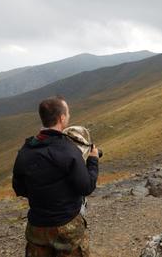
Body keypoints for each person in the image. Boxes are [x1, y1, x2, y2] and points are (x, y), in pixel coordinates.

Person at [12, 96, 99, 257]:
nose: (69, 116)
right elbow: (86, 187)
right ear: (61, 118)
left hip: (37, 226)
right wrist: (93, 160)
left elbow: (19, 188)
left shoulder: (25, 150)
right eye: (68, 113)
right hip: (67, 226)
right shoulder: (68, 150)